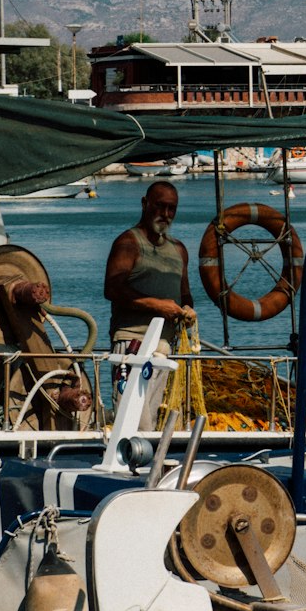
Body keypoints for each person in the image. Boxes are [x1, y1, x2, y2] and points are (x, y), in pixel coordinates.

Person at [104, 182, 196, 429]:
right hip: (131, 345)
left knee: (151, 422)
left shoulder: (179, 249)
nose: (165, 214)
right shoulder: (128, 243)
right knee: (132, 422)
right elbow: (112, 289)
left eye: (172, 209)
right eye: (160, 206)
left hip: (164, 348)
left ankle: (144, 467)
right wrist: (157, 306)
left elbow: (185, 295)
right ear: (145, 203)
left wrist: (187, 310)